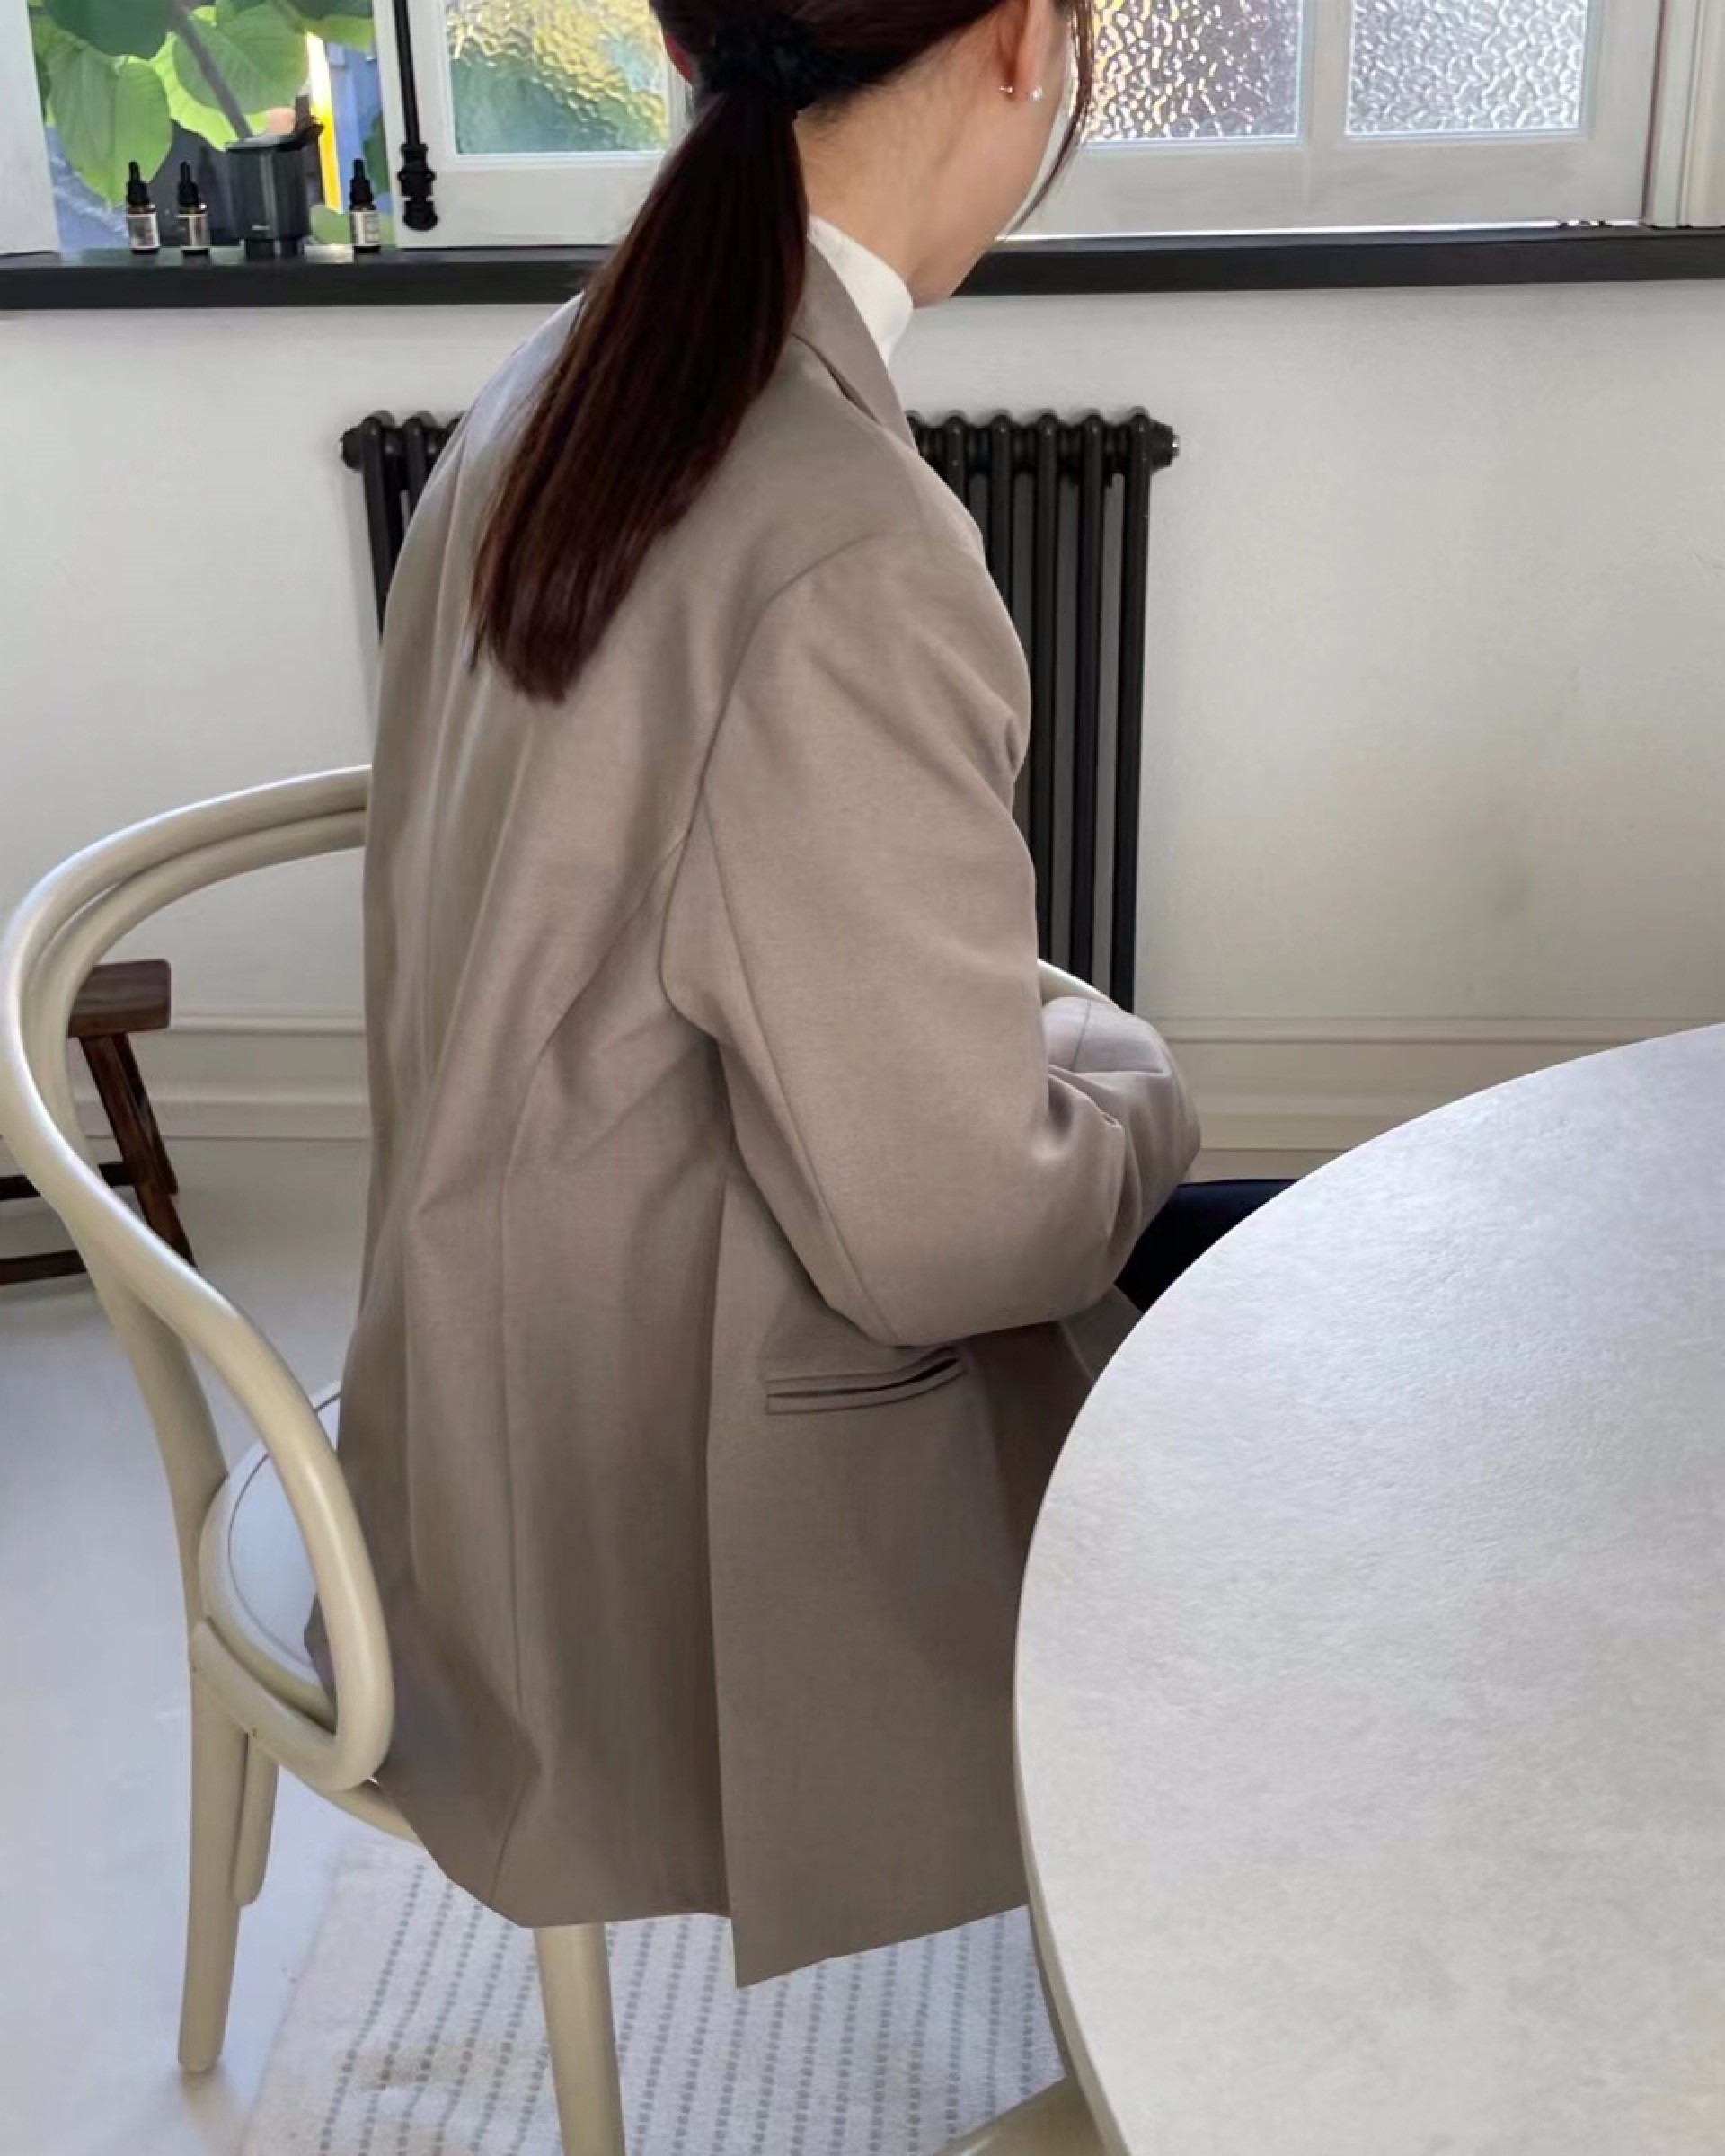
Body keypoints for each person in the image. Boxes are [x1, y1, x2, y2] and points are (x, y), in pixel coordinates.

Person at [333, 0, 1284, 1985]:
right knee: (1344, 1409)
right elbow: (956, 1242)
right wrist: (1134, 1073)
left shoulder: (561, 390)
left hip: (481, 1406)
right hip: (642, 1517)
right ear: (1022, 44)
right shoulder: (832, 533)